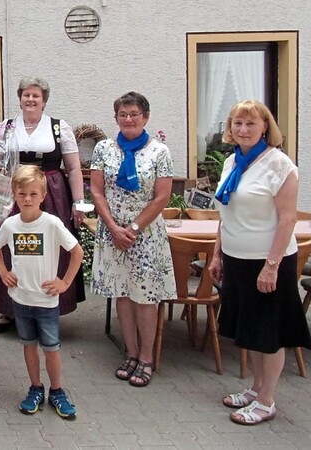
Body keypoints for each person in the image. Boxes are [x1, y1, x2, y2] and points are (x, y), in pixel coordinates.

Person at [210, 100, 311, 425]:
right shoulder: (231, 163)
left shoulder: (280, 165)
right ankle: (255, 389)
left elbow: (287, 219)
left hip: (268, 262)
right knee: (250, 330)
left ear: (265, 126)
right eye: (238, 123)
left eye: (250, 124)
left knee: (268, 333)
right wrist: (217, 254)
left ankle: (267, 400)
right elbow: (225, 213)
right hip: (237, 259)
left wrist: (271, 265)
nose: (243, 130)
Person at [90, 91, 175, 388]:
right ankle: (131, 352)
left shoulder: (159, 152)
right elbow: (97, 190)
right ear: (116, 118)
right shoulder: (103, 149)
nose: (128, 119)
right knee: (123, 294)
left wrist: (134, 228)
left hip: (146, 234)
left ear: (146, 117)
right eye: (123, 115)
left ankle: (147, 359)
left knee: (145, 298)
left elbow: (162, 196)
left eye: (134, 114)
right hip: (113, 232)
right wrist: (113, 227)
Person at [0, 77, 86, 334]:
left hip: (51, 192)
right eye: (26, 95)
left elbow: (74, 167)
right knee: (14, 246)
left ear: (44, 100)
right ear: (20, 98)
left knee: (50, 247)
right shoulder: (7, 127)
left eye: (36, 95)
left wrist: (79, 202)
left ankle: (50, 306)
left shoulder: (59, 127)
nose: (30, 99)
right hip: (18, 192)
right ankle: (10, 309)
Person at [0, 165, 82, 418]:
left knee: (51, 347)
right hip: (21, 300)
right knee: (28, 345)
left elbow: (77, 252)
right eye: (22, 194)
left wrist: (64, 283)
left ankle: (57, 390)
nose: (27, 199)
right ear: (14, 195)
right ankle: (35, 388)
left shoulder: (51, 223)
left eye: (33, 194)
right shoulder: (10, 225)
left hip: (47, 302)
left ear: (43, 196)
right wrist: (2, 271)